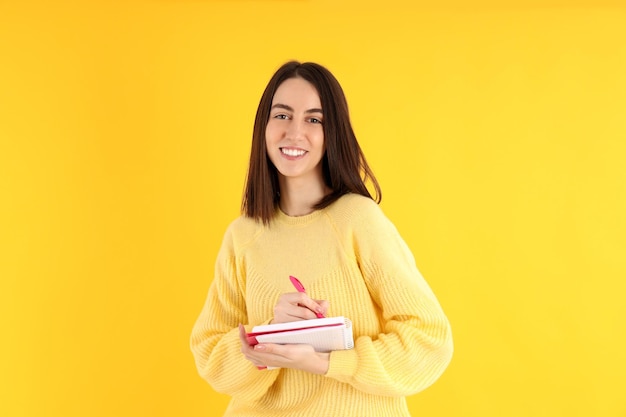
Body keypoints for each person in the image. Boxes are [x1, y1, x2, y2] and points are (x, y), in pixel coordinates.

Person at [190, 61, 453, 416]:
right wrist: (270, 332)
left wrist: (327, 361)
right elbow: (210, 354)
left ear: (333, 133)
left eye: (314, 119)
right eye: (282, 115)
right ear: (263, 127)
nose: (294, 132)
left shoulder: (357, 221)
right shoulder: (243, 236)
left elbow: (429, 340)